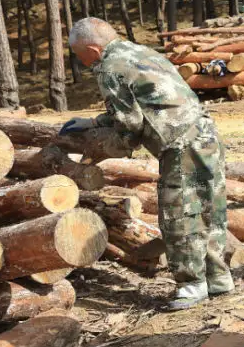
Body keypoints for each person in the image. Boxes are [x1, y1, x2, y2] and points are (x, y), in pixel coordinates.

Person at [63, 17, 231, 311]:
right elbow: (146, 101)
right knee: (209, 207)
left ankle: (192, 285)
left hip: (179, 144)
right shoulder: (140, 52)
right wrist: (93, 121)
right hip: (205, 133)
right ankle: (218, 278)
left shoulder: (108, 68)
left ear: (92, 49)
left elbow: (130, 125)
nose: (79, 61)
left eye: (79, 54)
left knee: (179, 215)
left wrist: (96, 147)